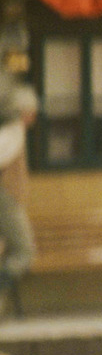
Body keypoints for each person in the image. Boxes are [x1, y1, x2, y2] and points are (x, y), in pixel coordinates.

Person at [0, 82, 37, 317]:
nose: (33, 116)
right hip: (7, 200)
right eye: (31, 111)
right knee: (25, 251)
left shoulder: (13, 133)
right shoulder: (13, 133)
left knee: (12, 251)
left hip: (9, 199)